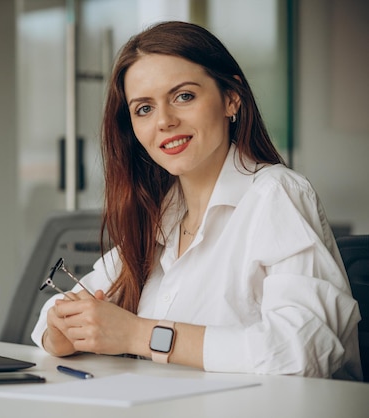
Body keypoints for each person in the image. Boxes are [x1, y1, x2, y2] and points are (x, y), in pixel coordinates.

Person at [31, 21, 363, 380]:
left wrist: (138, 334)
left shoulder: (276, 194)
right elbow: (55, 314)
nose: (165, 121)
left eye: (183, 96)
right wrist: (61, 332)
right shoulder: (161, 215)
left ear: (231, 98)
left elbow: (304, 352)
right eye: (144, 109)